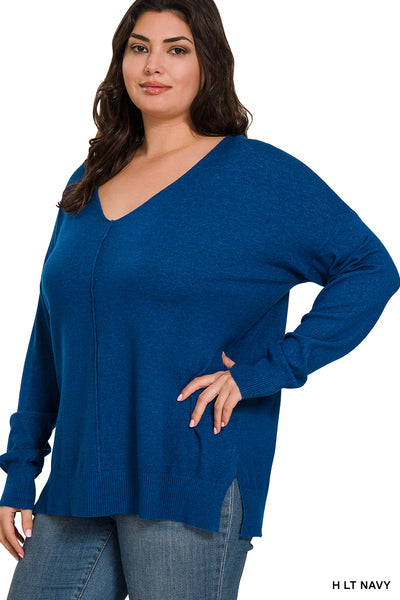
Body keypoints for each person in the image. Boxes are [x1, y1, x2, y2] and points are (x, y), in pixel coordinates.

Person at [0, 0, 399, 598]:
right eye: (139, 47)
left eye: (177, 49)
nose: (153, 65)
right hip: (80, 481)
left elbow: (370, 268)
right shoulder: (88, 178)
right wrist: (20, 468)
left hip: (189, 473)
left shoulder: (257, 176)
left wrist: (268, 370)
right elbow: (50, 337)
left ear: (208, 63)